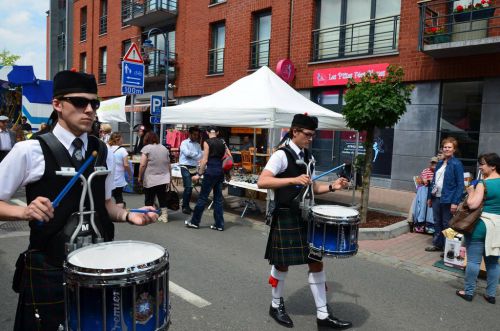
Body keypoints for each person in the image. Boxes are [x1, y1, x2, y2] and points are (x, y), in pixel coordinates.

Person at [0, 70, 158, 331]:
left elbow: (106, 204)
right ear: (58, 105)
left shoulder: (102, 150)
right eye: (79, 102)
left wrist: (128, 215)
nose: (89, 110)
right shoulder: (30, 150)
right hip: (50, 271)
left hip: (100, 270)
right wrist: (24, 212)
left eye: (94, 104)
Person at [257, 113, 351, 330]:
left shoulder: (309, 156)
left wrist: (331, 187)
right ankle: (275, 304)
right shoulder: (281, 155)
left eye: (313, 135)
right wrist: (292, 179)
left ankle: (323, 316)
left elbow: (312, 187)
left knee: (316, 262)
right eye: (307, 134)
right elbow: (263, 181)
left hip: (307, 215)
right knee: (282, 263)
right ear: (295, 132)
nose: (311, 138)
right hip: (286, 214)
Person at [456, 153, 500, 303]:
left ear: (493, 166)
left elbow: (473, 204)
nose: (480, 166)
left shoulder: (483, 183)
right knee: (493, 262)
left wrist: (470, 192)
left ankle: (468, 292)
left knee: (474, 261)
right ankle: (491, 295)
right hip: (497, 227)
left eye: (483, 164)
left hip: (481, 225)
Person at [185, 126, 229, 231]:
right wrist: (227, 172)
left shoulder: (207, 142)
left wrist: (199, 174)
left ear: (207, 132)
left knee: (202, 198)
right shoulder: (223, 142)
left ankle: (194, 222)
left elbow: (204, 160)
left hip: (210, 172)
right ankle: (219, 224)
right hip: (220, 172)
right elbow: (228, 157)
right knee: (218, 200)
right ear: (217, 132)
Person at [426, 137, 464, 252]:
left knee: (447, 224)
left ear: (454, 149)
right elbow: (433, 181)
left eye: (449, 147)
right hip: (436, 197)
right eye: (445, 147)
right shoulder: (440, 163)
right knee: (437, 222)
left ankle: (448, 249)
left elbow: (460, 184)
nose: (446, 149)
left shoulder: (456, 164)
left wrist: (455, 202)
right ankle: (438, 244)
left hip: (448, 199)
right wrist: (429, 197)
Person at [138, 131, 171, 223]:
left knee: (149, 198)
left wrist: (140, 176)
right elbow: (169, 164)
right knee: (162, 197)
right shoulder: (164, 148)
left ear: (146, 139)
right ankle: (164, 216)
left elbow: (142, 165)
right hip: (164, 178)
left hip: (150, 178)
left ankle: (150, 215)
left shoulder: (146, 148)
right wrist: (170, 177)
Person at [179, 126, 203, 214]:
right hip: (184, 166)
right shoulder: (184, 143)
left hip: (193, 167)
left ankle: (187, 205)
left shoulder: (198, 145)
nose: (196, 136)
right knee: (188, 187)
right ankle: (185, 207)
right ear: (190, 134)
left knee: (191, 187)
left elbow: (200, 156)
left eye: (197, 135)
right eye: (194, 134)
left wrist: (193, 155)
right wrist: (195, 155)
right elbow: (186, 153)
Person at [108, 132, 132, 208]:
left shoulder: (107, 149)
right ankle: (119, 212)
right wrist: (130, 174)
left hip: (108, 176)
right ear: (118, 139)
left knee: (108, 197)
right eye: (122, 138)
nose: (123, 139)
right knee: (118, 196)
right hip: (118, 177)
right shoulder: (122, 150)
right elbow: (126, 164)